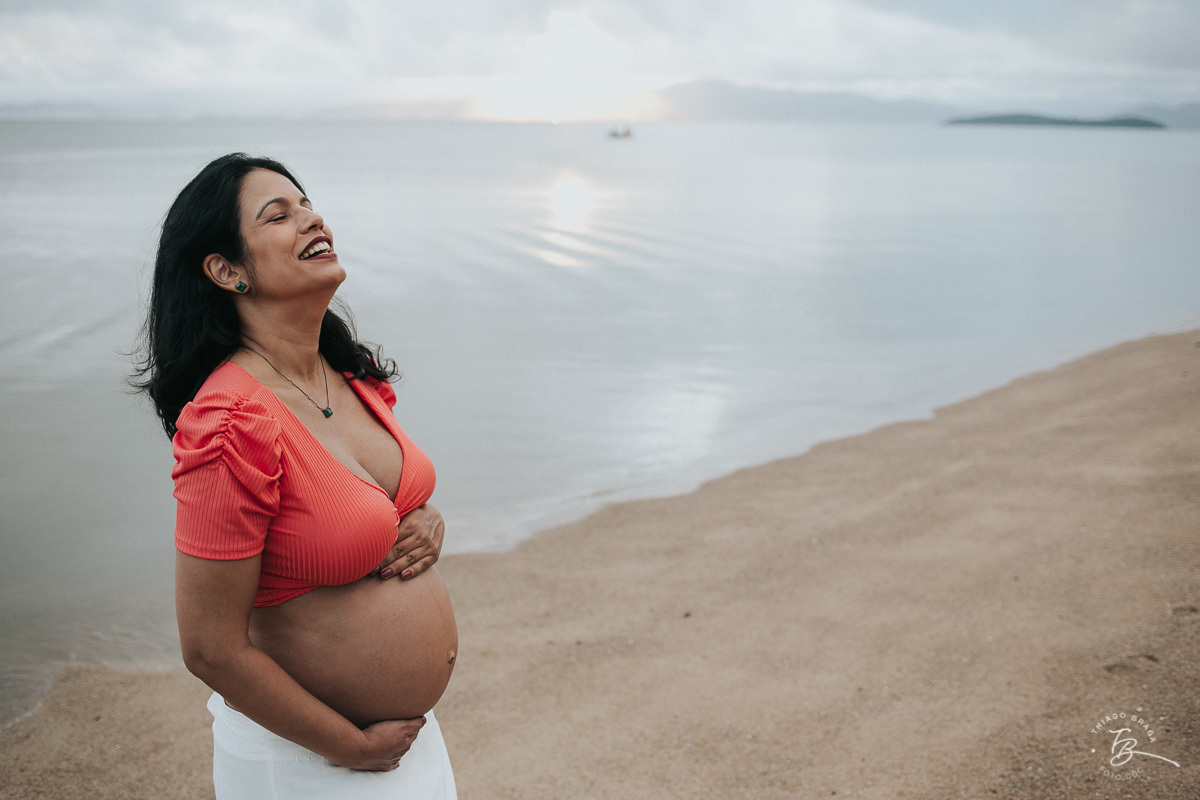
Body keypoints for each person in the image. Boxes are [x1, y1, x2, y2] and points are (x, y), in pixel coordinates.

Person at [134, 153, 458, 799]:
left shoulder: (348, 374)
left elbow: (362, 503)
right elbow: (209, 648)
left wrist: (426, 520)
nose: (311, 219)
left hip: (402, 746)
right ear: (227, 270)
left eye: (306, 204)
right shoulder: (229, 423)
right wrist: (349, 748)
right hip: (312, 760)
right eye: (277, 215)